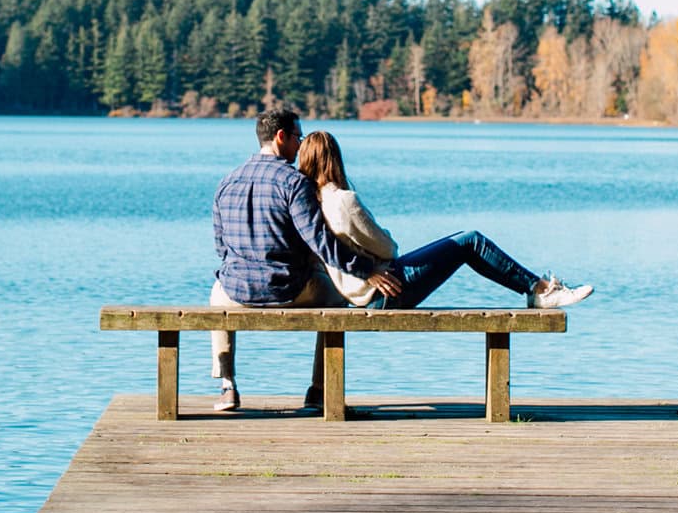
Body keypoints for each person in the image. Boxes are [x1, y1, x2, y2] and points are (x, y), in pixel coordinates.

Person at [209, 107, 400, 412]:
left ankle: (227, 386)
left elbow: (221, 247)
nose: (300, 145)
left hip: (237, 291)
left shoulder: (226, 182)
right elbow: (320, 242)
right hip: (288, 289)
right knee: (337, 299)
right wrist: (366, 271)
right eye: (297, 136)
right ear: (281, 137)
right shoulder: (293, 183)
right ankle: (319, 389)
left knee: (217, 294)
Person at [295, 130, 593, 312]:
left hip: (362, 293)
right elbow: (389, 249)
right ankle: (540, 290)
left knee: (462, 240)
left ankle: (537, 289)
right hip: (385, 290)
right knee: (471, 241)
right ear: (334, 159)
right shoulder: (343, 201)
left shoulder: (311, 204)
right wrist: (382, 240)